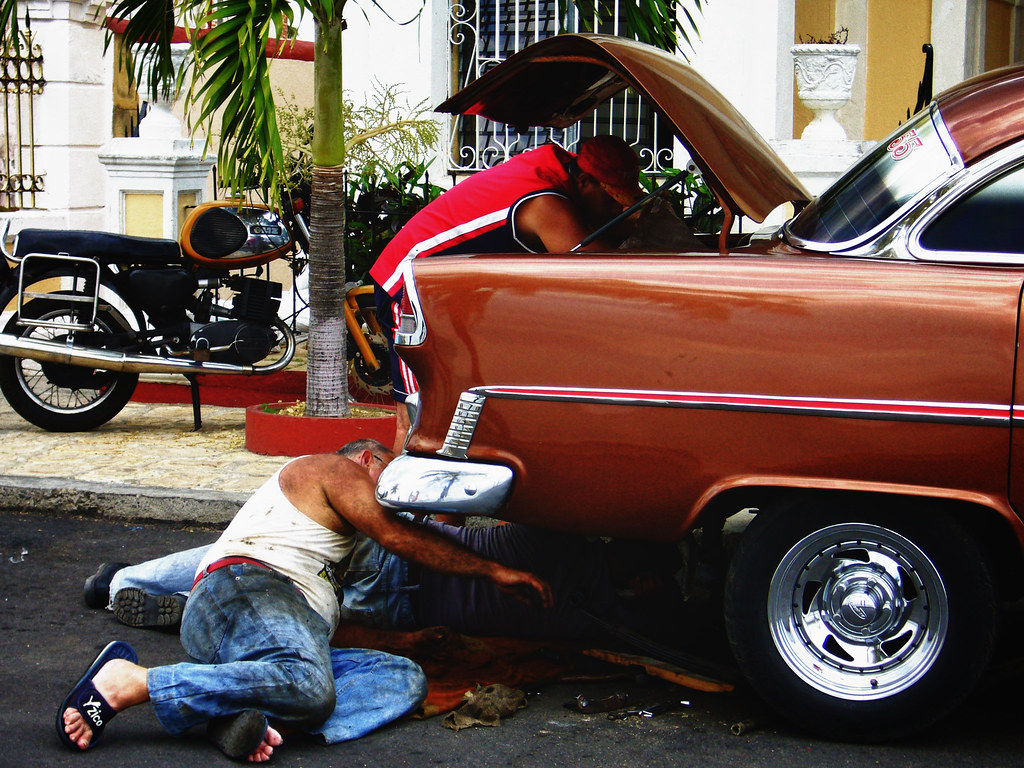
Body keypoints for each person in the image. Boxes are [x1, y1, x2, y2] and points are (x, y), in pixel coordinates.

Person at [59, 440, 552, 761]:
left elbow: (333, 631)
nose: (393, 493)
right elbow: (400, 536)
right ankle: (135, 681)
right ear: (365, 460)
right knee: (311, 686)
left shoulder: (337, 554)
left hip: (283, 628)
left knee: (403, 678)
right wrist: (493, 570)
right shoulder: (331, 470)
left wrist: (404, 640)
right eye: (388, 474)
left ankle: (248, 718)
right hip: (245, 591)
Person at [370, 136, 645, 451]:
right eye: (613, 201)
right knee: (418, 421)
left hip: (452, 295)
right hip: (409, 289)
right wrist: (635, 228)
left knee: (464, 412)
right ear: (584, 182)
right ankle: (394, 495)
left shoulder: (559, 166)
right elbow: (595, 270)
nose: (617, 210)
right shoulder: (544, 202)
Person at [85, 518, 632, 647]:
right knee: (270, 562)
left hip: (393, 590)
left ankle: (140, 586)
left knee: (263, 552)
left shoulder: (570, 552)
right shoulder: (563, 548)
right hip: (394, 584)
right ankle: (152, 590)